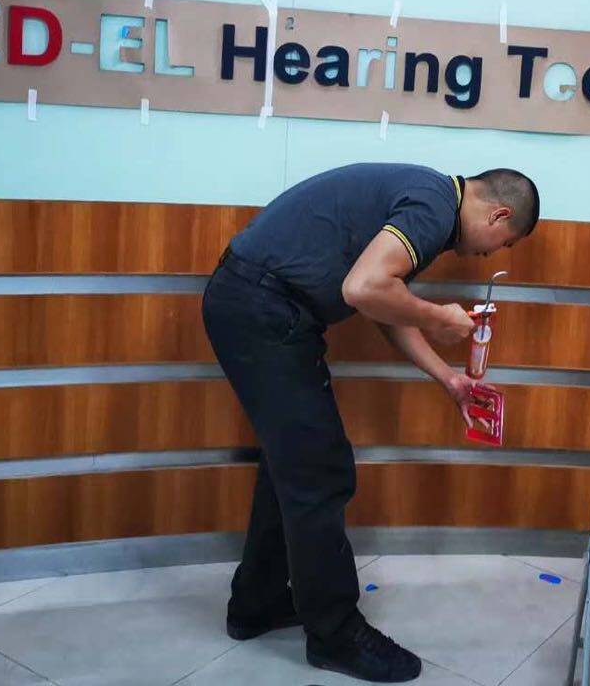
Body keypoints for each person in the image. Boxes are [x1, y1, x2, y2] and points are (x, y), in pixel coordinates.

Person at [201, 163, 541, 682]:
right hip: (261, 309)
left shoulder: (428, 200)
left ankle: (257, 602)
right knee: (321, 472)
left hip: (258, 305)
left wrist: (448, 379)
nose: (491, 255)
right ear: (498, 214)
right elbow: (364, 288)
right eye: (504, 243)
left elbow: (382, 304)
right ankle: (335, 635)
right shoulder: (433, 208)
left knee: (293, 466)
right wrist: (438, 317)